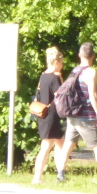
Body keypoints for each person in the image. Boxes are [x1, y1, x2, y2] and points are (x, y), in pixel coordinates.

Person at [55, 41, 97, 179]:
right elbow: (93, 95)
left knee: (68, 145)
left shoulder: (75, 71)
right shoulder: (91, 72)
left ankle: (61, 174)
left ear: (79, 55)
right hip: (86, 116)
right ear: (93, 56)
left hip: (72, 114)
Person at [31, 47, 66, 185]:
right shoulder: (55, 77)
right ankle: (37, 177)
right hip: (52, 115)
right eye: (62, 62)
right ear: (57, 62)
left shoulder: (43, 76)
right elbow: (60, 96)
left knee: (60, 144)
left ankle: (61, 174)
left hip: (43, 114)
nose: (63, 65)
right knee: (46, 147)